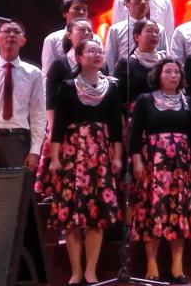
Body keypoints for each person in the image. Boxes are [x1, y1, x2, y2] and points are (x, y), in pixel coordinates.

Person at [48, 39, 122, 286]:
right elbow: (58, 126)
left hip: (100, 154)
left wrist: (117, 156)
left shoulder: (111, 88)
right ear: (78, 57)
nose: (97, 54)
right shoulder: (68, 87)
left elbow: (116, 127)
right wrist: (55, 158)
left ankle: (91, 270)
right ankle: (76, 271)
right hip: (73, 152)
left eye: (100, 51)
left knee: (96, 214)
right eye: (91, 50)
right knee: (72, 216)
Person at [128, 58, 191, 284]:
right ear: (158, 75)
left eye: (177, 72)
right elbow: (134, 134)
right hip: (154, 163)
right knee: (154, 211)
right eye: (168, 71)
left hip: (180, 164)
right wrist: (137, 161)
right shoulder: (145, 100)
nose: (173, 75)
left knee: (178, 212)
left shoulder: (188, 102)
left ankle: (177, 266)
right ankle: (152, 264)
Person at [0, 20, 46, 169]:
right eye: (7, 31)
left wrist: (35, 150)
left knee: (14, 183)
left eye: (16, 32)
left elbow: (38, 113)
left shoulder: (33, 73)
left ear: (23, 41)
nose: (11, 35)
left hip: (17, 139)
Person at [37, 18, 95, 200]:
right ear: (69, 35)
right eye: (82, 30)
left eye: (89, 31)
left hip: (90, 130)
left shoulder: (100, 64)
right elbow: (51, 100)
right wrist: (53, 129)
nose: (87, 33)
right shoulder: (60, 64)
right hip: (64, 127)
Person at [104, 0, 170, 72]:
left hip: (153, 75)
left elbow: (166, 56)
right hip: (125, 76)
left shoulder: (158, 29)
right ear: (127, 3)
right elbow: (110, 58)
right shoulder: (116, 30)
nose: (143, 2)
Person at [115, 19, 168, 111]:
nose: (154, 35)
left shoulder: (165, 62)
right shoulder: (126, 63)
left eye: (157, 32)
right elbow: (118, 95)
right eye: (150, 31)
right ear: (136, 37)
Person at [41, 0, 100, 73]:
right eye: (77, 9)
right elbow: (47, 70)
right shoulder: (52, 39)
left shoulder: (95, 39)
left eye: (84, 10)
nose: (82, 12)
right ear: (65, 13)